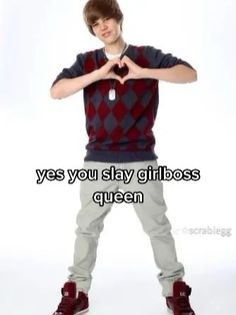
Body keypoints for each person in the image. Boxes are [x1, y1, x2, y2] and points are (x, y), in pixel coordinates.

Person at [50, 0, 197, 314]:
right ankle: (78, 292)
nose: (103, 26)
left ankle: (175, 289)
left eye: (106, 19)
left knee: (157, 227)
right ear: (92, 30)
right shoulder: (87, 61)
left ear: (118, 19)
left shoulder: (145, 55)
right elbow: (57, 91)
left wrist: (143, 72)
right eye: (95, 23)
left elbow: (189, 74)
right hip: (98, 160)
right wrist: (99, 74)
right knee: (87, 228)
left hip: (140, 159)